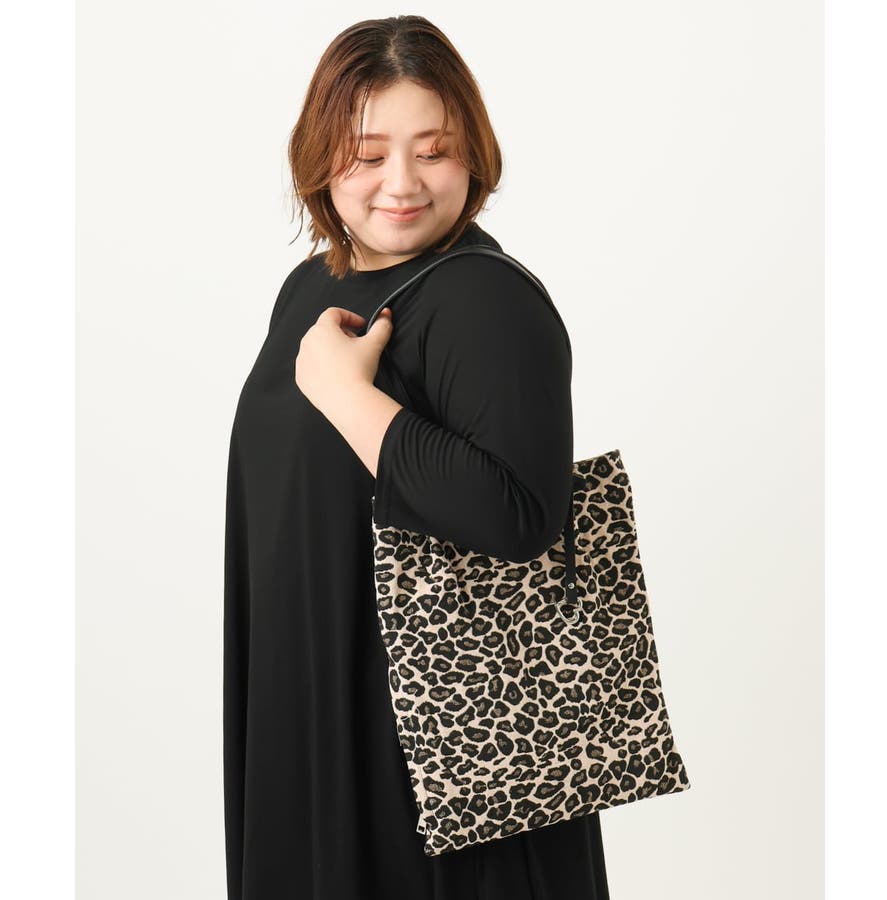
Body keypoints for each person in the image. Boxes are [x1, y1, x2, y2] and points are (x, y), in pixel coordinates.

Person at [223, 15, 613, 900]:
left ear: (473, 155)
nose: (402, 183)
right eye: (368, 154)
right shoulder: (311, 287)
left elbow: (519, 518)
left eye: (433, 151)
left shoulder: (485, 298)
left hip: (438, 755)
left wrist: (348, 395)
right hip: (311, 700)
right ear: (321, 159)